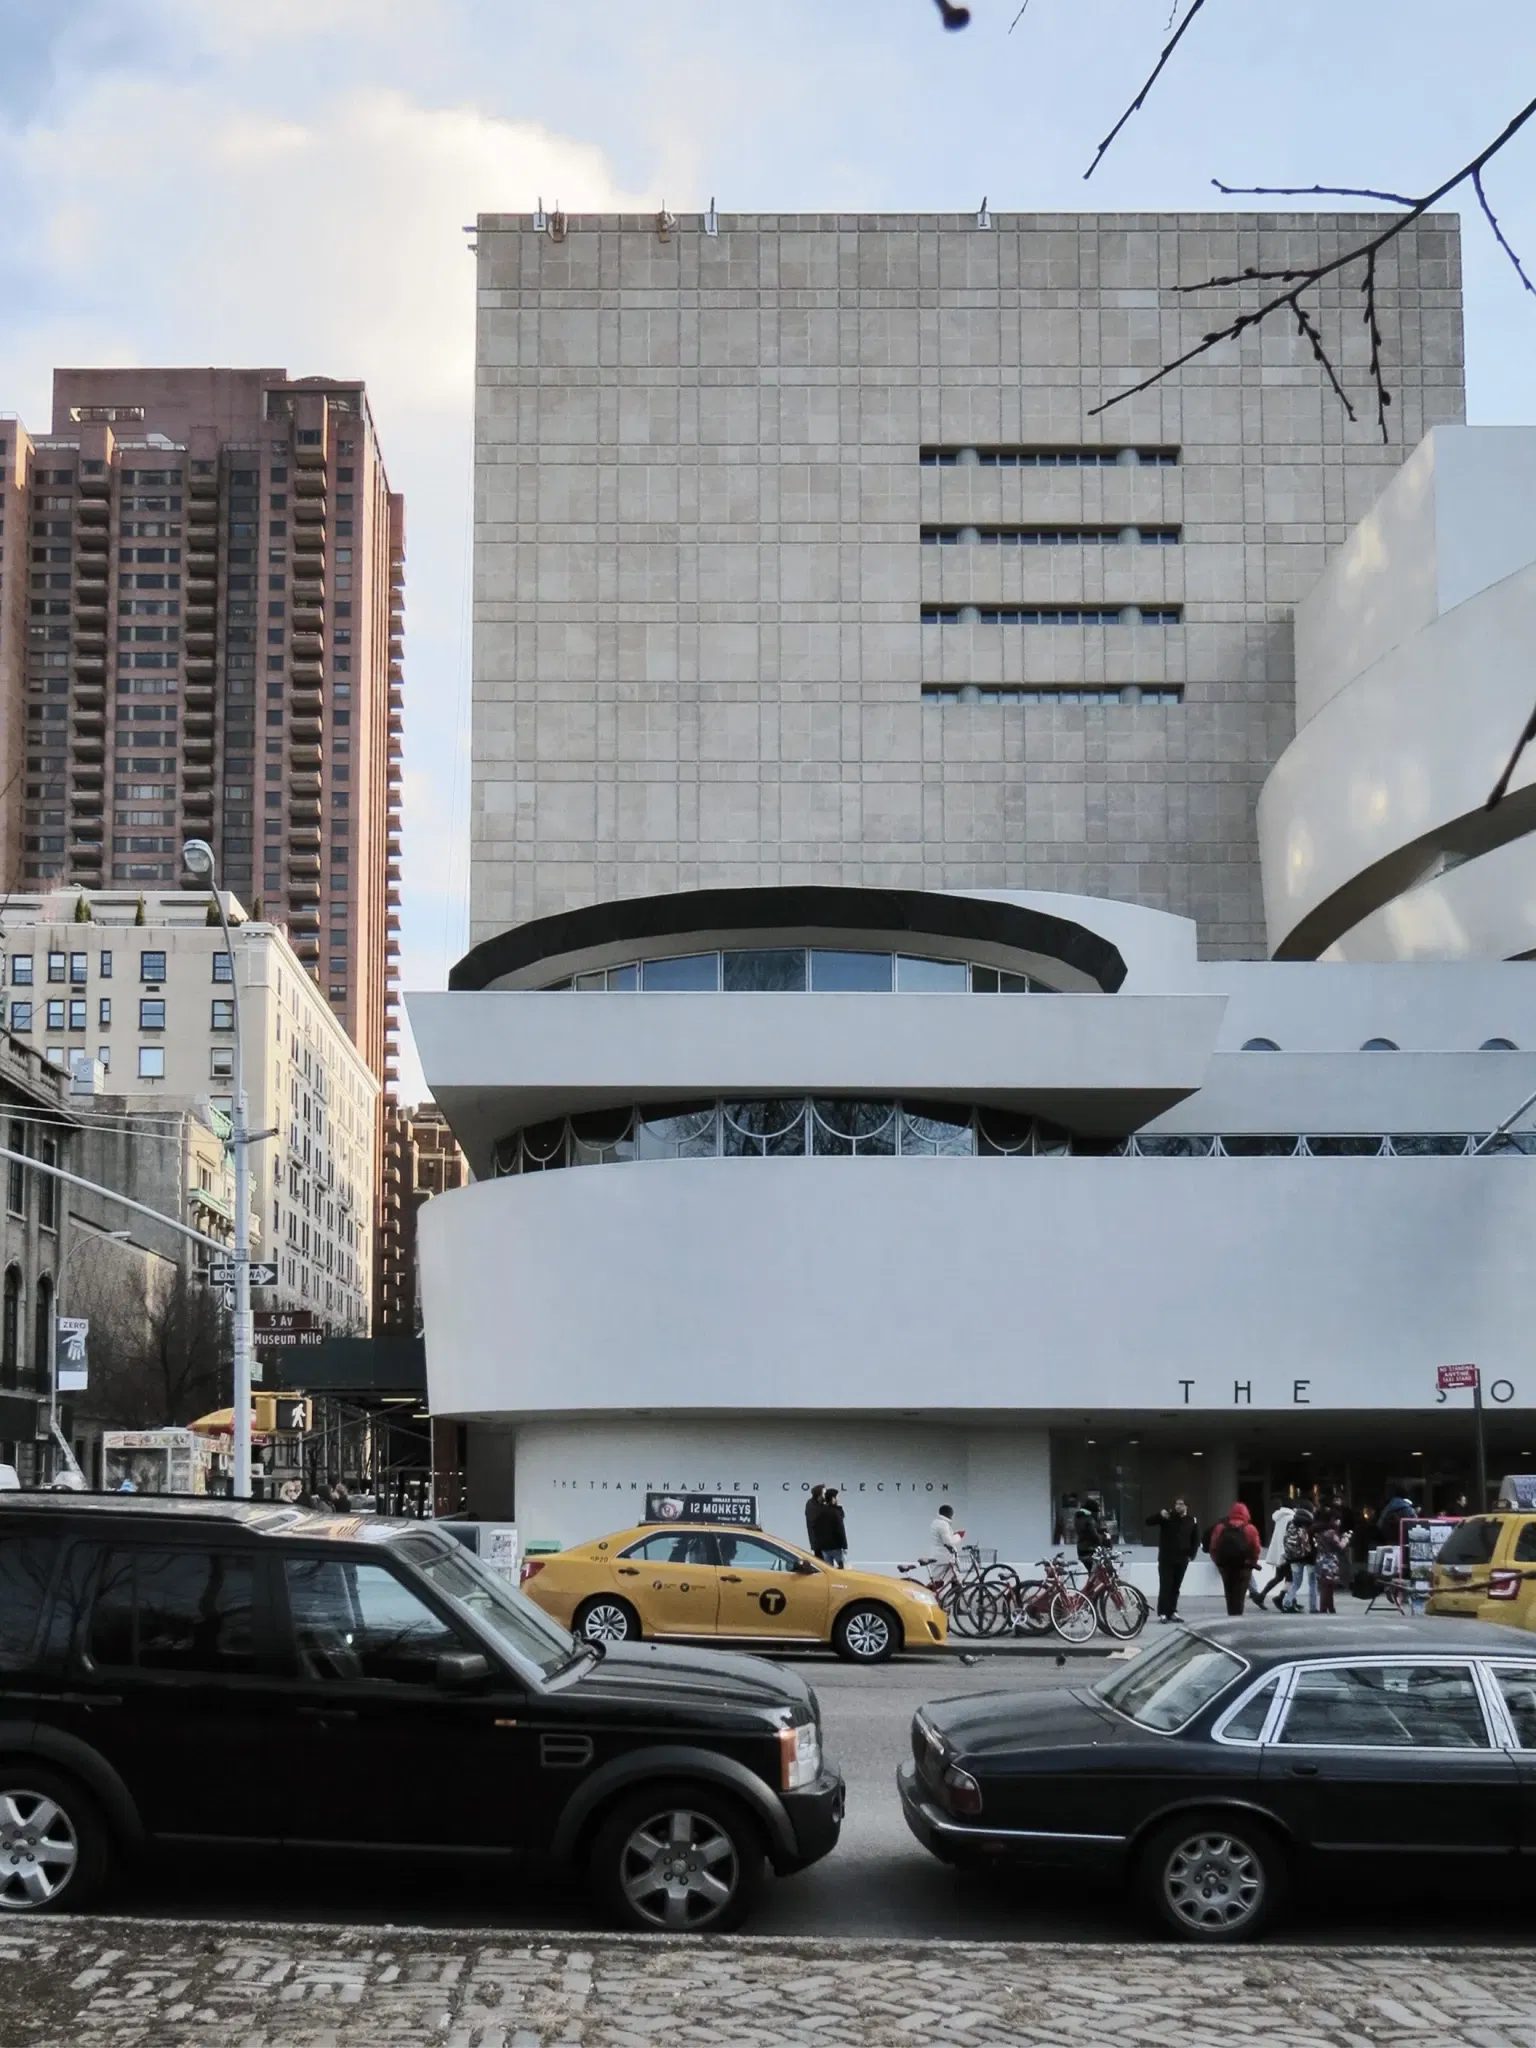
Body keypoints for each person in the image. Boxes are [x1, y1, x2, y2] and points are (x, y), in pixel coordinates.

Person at [1145, 1497, 1199, 1622]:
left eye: (1181, 1504)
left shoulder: (1192, 1520)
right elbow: (1148, 1522)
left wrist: (1192, 1554)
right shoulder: (1167, 1517)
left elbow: (1195, 1539)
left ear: (1186, 1506)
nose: (1178, 1506)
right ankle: (1163, 1612)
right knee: (1166, 1585)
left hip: (1182, 1558)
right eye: (1176, 1503)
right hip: (1166, 1557)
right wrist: (1159, 1515)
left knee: (1176, 1586)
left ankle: (1172, 1611)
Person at [1207, 1501, 1261, 1616]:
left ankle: (1231, 1615)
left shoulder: (1220, 1527)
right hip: (1244, 1566)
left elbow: (1213, 1546)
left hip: (1225, 1566)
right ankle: (1237, 1617)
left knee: (1229, 1593)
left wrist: (1218, 1562)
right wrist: (1253, 1562)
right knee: (1240, 1595)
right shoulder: (1250, 1528)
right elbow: (1256, 1548)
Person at [1251, 1498, 1295, 1609]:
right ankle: (1280, 1598)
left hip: (1279, 1552)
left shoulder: (1279, 1518)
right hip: (1286, 1552)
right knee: (1290, 1578)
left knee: (1279, 1577)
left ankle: (1261, 1596)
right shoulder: (1290, 1518)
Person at [1279, 1504, 1317, 1612]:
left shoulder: (1290, 1523)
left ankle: (1287, 1601)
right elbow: (1314, 1543)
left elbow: (1285, 1539)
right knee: (1312, 1583)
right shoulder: (1310, 1524)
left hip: (1294, 1558)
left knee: (1296, 1582)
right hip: (1310, 1558)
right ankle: (1313, 1607)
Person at [1314, 1511, 1349, 1615]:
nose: (1339, 1522)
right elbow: (1340, 1546)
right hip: (1329, 1561)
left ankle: (1329, 1607)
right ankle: (1325, 1608)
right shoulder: (1331, 1533)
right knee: (1328, 1586)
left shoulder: (1319, 1531)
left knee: (1325, 1585)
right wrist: (1346, 1539)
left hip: (1321, 1559)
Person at [929, 1503, 964, 1587]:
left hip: (939, 1555)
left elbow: (942, 1538)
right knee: (955, 1579)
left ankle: (954, 1598)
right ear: (948, 1514)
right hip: (945, 1557)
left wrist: (953, 1535)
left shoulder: (936, 1522)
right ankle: (955, 1598)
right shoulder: (943, 1524)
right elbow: (948, 1542)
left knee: (940, 1580)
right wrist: (959, 1535)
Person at [819, 1488, 848, 1568]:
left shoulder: (821, 1511)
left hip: (824, 1547)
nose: (838, 1499)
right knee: (843, 1568)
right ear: (833, 1498)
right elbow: (840, 1529)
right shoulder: (836, 1512)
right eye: (837, 1497)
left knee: (828, 1569)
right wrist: (845, 1546)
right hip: (836, 1547)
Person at [804, 1484, 825, 1551]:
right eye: (824, 1493)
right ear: (819, 1495)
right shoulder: (812, 1506)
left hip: (823, 1543)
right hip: (819, 1544)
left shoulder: (819, 1504)